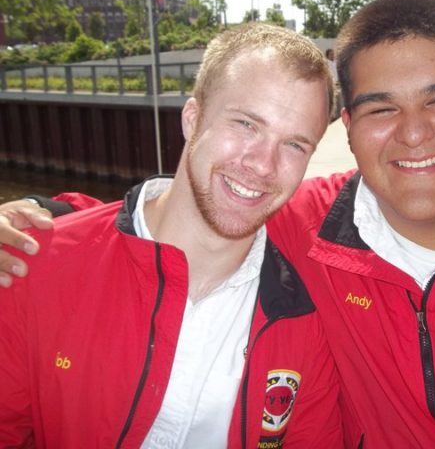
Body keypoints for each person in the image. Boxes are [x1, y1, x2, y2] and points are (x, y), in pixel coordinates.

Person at [2, 0, 435, 448]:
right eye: (381, 109)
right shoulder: (306, 222)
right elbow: (183, 215)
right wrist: (51, 222)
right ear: (352, 133)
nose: (415, 134)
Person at [0, 23, 345, 448]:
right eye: (245, 124)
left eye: (295, 145)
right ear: (192, 118)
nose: (262, 164)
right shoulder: (34, 265)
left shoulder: (304, 323)